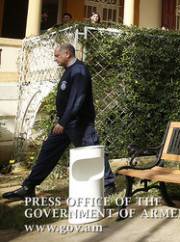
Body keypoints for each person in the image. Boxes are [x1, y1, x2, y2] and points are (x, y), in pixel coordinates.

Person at [2, 43, 115, 200]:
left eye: (57, 56)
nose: (55, 59)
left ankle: (108, 185)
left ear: (67, 53)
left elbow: (77, 99)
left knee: (92, 151)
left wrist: (63, 122)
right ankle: (29, 187)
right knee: (48, 151)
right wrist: (62, 121)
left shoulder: (79, 71)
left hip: (79, 123)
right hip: (65, 123)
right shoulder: (70, 71)